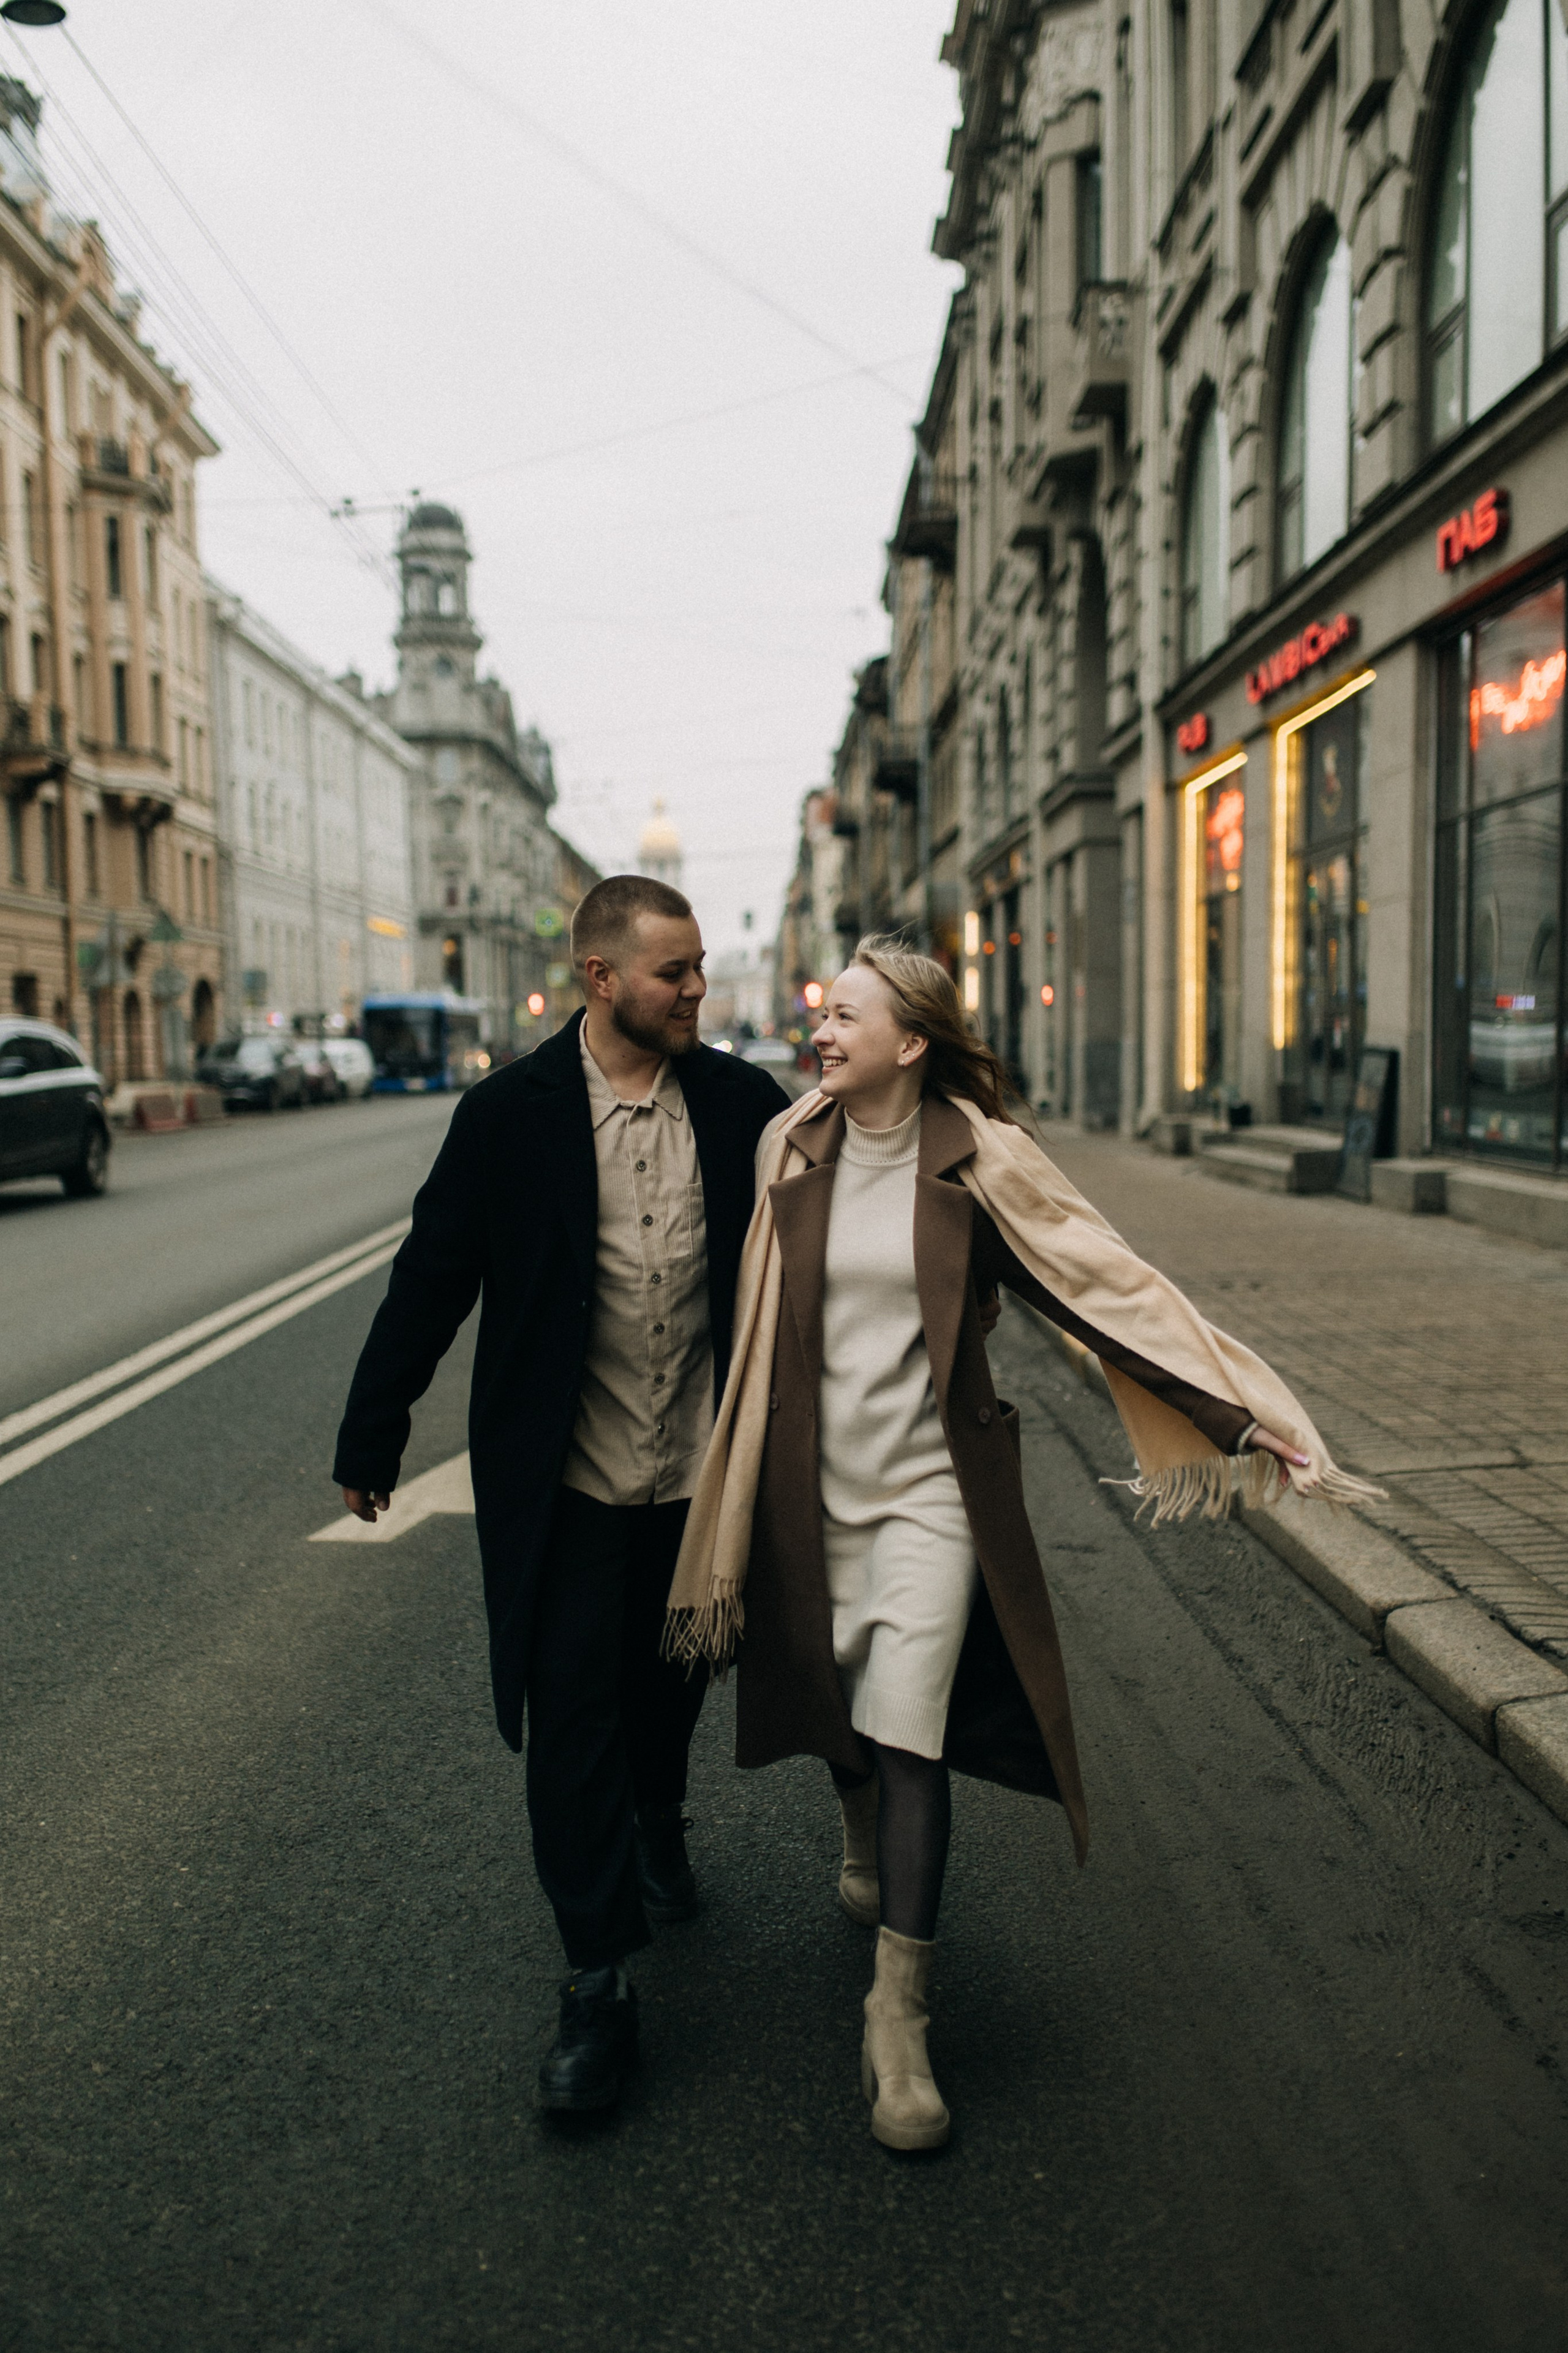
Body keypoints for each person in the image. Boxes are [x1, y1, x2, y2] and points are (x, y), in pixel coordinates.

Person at [665, 936, 1380, 2153]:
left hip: (933, 1494)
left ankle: (898, 2010)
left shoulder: (979, 1158)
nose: (821, 1033)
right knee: (836, 1697)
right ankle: (851, 1819)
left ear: (912, 1042)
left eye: (845, 1018)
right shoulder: (788, 1145)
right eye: (820, 1014)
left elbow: (1098, 1284)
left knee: (911, 1733)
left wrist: (1240, 1415)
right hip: (809, 1483)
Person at [331, 876, 790, 2113]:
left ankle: (660, 1807)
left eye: (699, 967)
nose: (698, 987)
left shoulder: (745, 1105)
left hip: (699, 1479)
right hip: (572, 1484)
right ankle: (596, 1986)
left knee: (669, 1677)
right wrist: (373, 1430)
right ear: (602, 980)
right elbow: (431, 1276)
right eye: (673, 971)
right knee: (570, 1707)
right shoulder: (509, 1117)